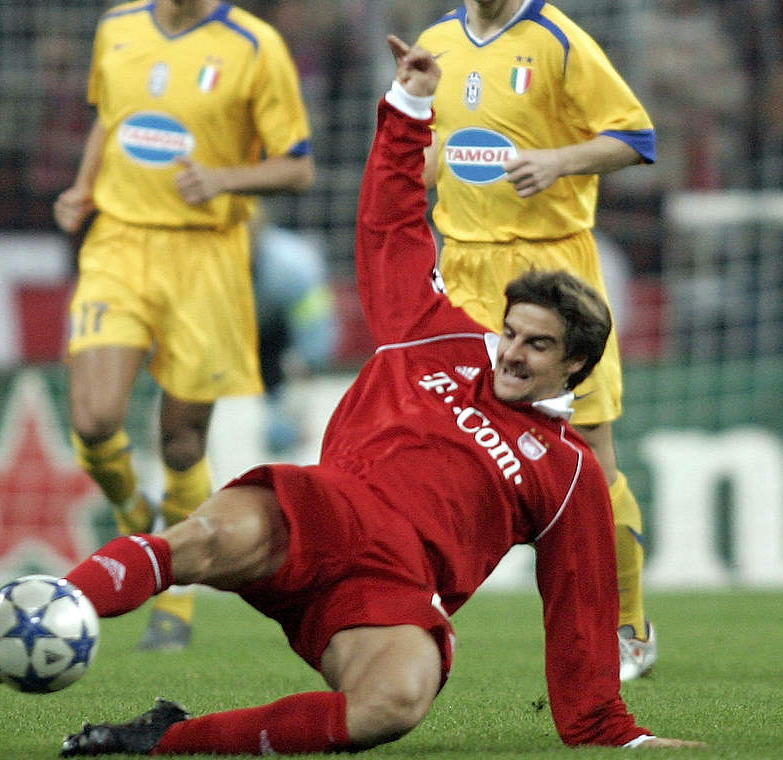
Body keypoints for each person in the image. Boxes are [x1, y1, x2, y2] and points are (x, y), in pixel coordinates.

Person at [49, 38, 701, 755]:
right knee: (201, 538)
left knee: (395, 702)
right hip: (320, 513)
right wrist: (410, 105)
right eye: (512, 332)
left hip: (390, 594)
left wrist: (616, 735)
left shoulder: (568, 471)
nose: (511, 352)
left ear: (576, 363)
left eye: (536, 345)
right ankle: (51, 609)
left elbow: (577, 612)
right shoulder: (437, 337)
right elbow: (391, 220)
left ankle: (166, 742)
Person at [52, 0, 314, 651]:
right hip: (120, 244)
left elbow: (299, 165)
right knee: (93, 419)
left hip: (208, 259)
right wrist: (85, 186)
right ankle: (131, 512)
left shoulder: (255, 47)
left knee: (181, 447)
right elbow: (109, 121)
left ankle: (175, 599)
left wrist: (224, 178)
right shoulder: (116, 27)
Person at [416, 0, 660, 681]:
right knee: (448, 446)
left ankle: (629, 622)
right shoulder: (437, 40)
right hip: (463, 269)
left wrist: (560, 160)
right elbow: (437, 148)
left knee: (590, 458)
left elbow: (637, 137)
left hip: (552, 270)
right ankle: (416, 608)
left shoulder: (558, 40)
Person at [252, 220, 339, 454]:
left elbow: (315, 324)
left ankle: (287, 441)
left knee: (291, 388)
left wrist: (309, 363)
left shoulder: (293, 267)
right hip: (242, 324)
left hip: (282, 328)